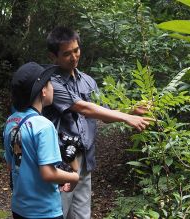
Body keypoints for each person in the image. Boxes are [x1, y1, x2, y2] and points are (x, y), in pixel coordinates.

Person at [44, 26, 153, 219]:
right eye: (67, 53)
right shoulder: (51, 83)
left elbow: (103, 115)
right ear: (53, 56)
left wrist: (130, 111)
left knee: (82, 214)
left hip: (85, 159)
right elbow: (83, 108)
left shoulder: (88, 81)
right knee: (58, 212)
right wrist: (127, 118)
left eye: (76, 50)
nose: (74, 57)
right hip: (61, 163)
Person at [3, 62, 80, 219]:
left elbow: (12, 166)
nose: (53, 87)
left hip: (19, 208)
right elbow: (48, 174)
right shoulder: (44, 125)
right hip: (44, 211)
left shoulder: (11, 121)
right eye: (51, 83)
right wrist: (73, 177)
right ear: (43, 90)